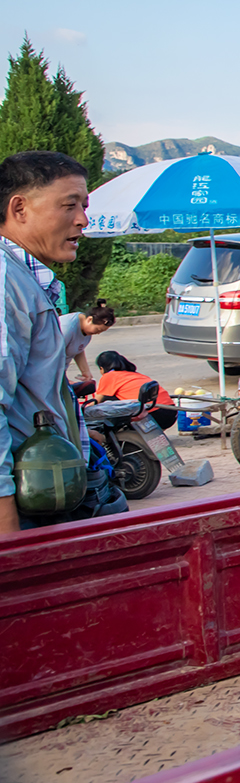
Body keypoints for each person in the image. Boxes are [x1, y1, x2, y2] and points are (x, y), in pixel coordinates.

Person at [0, 151, 99, 532]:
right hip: (21, 510)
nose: (82, 220)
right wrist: (9, 538)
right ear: (20, 208)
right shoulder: (6, 282)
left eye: (85, 205)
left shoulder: (24, 280)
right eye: (69, 205)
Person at [91, 351, 175, 430]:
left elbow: (97, 401)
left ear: (101, 368)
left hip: (153, 414)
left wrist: (81, 410)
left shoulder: (109, 376)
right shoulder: (135, 374)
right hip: (171, 412)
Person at [61, 298, 116, 382]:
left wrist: (85, 372)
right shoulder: (66, 329)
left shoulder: (86, 331)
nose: (98, 333)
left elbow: (78, 349)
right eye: (98, 329)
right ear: (89, 320)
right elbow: (51, 357)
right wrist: (64, 381)